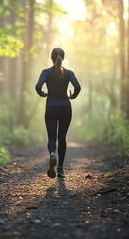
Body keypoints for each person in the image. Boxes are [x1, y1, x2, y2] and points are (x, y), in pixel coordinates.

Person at [35, 47, 81, 178]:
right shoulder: (69, 73)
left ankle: (52, 155)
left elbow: (38, 86)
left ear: (51, 58)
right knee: (62, 138)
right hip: (66, 107)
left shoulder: (45, 72)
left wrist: (42, 93)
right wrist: (73, 96)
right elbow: (77, 87)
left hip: (51, 107)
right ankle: (60, 169)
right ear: (63, 58)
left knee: (52, 138)